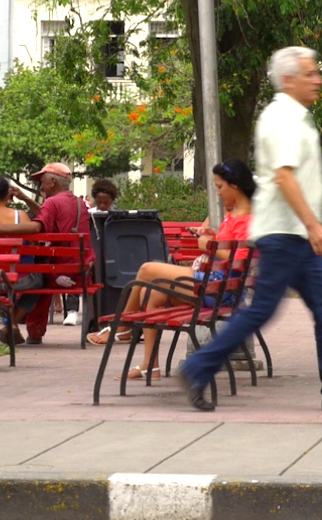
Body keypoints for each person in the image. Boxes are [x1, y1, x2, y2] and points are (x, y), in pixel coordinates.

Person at [177, 47, 322, 413]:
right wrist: (313, 225)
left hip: (294, 234)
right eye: (310, 74)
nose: (318, 80)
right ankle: (197, 367)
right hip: (286, 234)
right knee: (263, 311)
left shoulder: (295, 116)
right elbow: (284, 176)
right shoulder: (283, 117)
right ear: (289, 80)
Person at [89, 159, 256, 380]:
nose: (218, 193)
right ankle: (150, 366)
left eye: (219, 187)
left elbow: (242, 261)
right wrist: (213, 237)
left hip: (220, 289)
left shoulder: (248, 219)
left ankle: (122, 326)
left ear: (234, 185)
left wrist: (209, 245)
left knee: (148, 270)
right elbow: (232, 249)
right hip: (214, 284)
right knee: (152, 292)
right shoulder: (233, 215)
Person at [0, 162, 93, 344]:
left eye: (42, 182)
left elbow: (37, 225)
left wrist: (0, 229)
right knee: (37, 276)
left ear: (52, 182)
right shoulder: (77, 202)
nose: (40, 186)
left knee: (37, 280)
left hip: (58, 272)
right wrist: (25, 198)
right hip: (81, 271)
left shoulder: (53, 202)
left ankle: (25, 329)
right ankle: (14, 324)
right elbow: (46, 215)